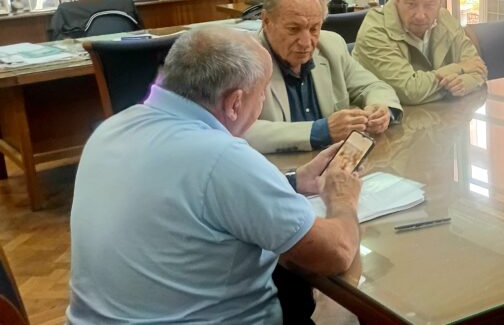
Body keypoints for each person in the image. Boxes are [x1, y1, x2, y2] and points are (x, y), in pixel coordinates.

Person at [67, 26, 363, 323]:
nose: (261, 103)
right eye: (262, 94)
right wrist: (343, 199)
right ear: (235, 103)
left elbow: (186, 197)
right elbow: (336, 253)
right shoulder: (223, 157)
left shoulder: (112, 128)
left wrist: (294, 181)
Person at [244, 0, 402, 154]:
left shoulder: (331, 46)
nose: (306, 43)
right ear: (266, 21)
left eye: (314, 29)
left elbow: (373, 86)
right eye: (294, 29)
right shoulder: (243, 60)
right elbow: (238, 131)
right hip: (276, 167)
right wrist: (320, 131)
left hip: (333, 161)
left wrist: (380, 109)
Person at [353, 0, 488, 105]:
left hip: (435, 114)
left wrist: (463, 83)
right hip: (382, 116)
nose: (420, 15)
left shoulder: (444, 18)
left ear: (441, 1)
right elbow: (410, 91)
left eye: (430, 5)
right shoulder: (374, 30)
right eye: (411, 4)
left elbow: (478, 68)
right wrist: (460, 68)